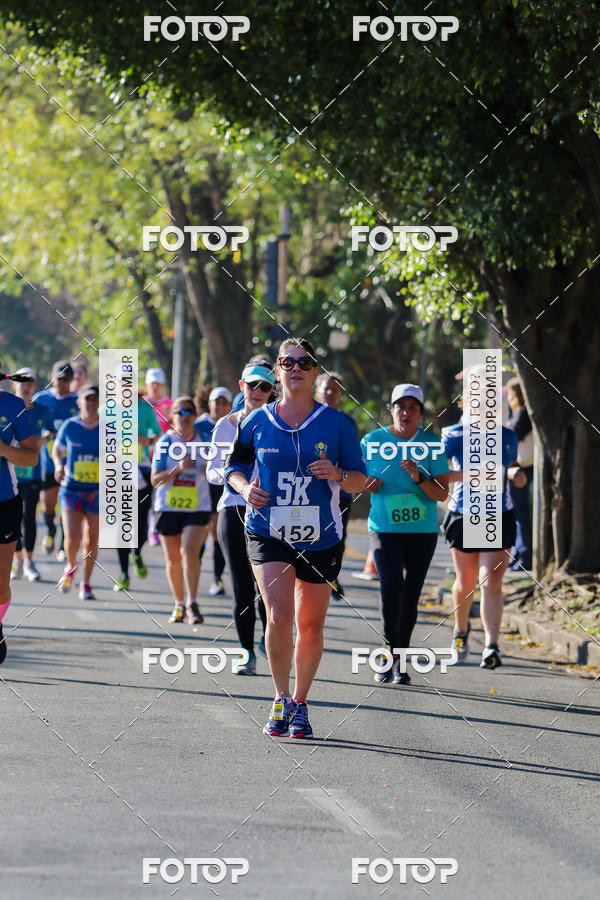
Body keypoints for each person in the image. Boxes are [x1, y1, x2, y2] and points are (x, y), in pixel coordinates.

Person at [226, 338, 367, 738]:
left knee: (310, 624)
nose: (296, 368)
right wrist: (241, 487)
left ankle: (302, 702)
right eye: (288, 362)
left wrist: (338, 474)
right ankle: (280, 697)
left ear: (315, 371)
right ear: (278, 370)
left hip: (320, 534)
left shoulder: (338, 423)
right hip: (267, 529)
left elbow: (361, 479)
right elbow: (233, 465)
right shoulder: (254, 420)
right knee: (279, 614)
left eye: (305, 362)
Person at [362, 384, 449, 685]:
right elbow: (355, 476)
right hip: (385, 529)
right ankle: (387, 652)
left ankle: (400, 659)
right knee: (390, 587)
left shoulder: (431, 443)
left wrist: (419, 476)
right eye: (401, 406)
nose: (406, 412)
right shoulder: (373, 441)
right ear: (392, 409)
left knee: (410, 595)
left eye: (413, 408)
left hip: (422, 531)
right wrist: (365, 483)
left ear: (420, 414)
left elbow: (441, 493)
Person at [442, 386, 524, 669]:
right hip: (464, 513)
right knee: (466, 584)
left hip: (498, 513)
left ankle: (491, 646)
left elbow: (509, 464)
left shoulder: (508, 436)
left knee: (491, 581)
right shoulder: (453, 434)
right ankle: (461, 631)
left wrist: (515, 473)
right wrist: (471, 473)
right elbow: (439, 474)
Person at [207, 361, 274, 675]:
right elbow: (211, 470)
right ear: (241, 385)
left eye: (265, 387)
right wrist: (234, 477)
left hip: (270, 512)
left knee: (268, 587)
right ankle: (246, 651)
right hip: (233, 509)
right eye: (252, 385)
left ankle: (268, 639)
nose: (258, 392)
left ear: (273, 390)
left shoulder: (279, 424)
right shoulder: (226, 425)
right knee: (242, 586)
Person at [151, 397, 211, 625]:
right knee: (173, 559)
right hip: (168, 506)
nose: (184, 416)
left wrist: (207, 469)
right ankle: (178, 603)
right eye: (180, 412)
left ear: (195, 416)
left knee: (189, 551)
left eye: (189, 412)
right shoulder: (164, 443)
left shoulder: (204, 441)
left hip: (198, 505)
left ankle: (192, 602)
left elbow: (216, 473)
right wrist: (177, 469)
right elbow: (155, 479)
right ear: (172, 416)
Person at [0, 375, 38, 664]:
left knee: (0, 583)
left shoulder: (13, 406)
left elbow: (30, 458)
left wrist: (2, 449)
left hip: (4, 501)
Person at [52, 384, 101, 600]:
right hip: (71, 489)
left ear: (98, 403)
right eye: (86, 400)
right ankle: (70, 567)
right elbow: (57, 449)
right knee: (72, 538)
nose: (90, 404)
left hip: (97, 491)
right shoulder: (70, 426)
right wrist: (58, 466)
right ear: (79, 402)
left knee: (91, 540)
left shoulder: (108, 428)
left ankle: (86, 583)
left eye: (93, 400)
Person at [315, 371, 357, 601]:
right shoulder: (308, 417)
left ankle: (332, 575)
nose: (330, 393)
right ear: (317, 391)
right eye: (326, 388)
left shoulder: (347, 422)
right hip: (313, 491)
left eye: (335, 389)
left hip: (341, 489)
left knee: (338, 536)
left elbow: (353, 456)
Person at [113, 395, 161, 591]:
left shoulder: (145, 408)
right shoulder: (106, 410)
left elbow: (158, 436)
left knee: (141, 523)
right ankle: (124, 574)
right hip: (117, 470)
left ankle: (137, 552)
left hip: (141, 469)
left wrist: (147, 440)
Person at [11, 368, 54, 583]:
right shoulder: (9, 408)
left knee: (29, 515)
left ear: (34, 387)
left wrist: (44, 438)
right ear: (14, 385)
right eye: (22, 382)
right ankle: (18, 559)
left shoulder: (43, 411)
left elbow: (50, 430)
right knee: (13, 518)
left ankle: (29, 560)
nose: (26, 386)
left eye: (29, 382)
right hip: (9, 472)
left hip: (34, 471)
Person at [33, 360, 79, 559]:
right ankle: (51, 529)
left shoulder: (78, 401)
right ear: (52, 378)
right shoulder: (40, 400)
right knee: (47, 504)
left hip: (72, 463)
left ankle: (62, 544)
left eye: (67, 380)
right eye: (59, 379)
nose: (62, 383)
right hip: (47, 462)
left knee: (66, 505)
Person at [195, 386, 232, 597]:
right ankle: (194, 572)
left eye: (224, 403)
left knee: (217, 533)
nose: (219, 406)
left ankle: (216, 579)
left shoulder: (232, 424)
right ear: (209, 404)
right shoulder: (198, 424)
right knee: (200, 532)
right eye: (216, 402)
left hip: (221, 484)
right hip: (199, 485)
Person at [505, 377, 533, 570]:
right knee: (516, 511)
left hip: (523, 467)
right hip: (514, 468)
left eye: (510, 394)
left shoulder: (523, 413)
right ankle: (518, 553)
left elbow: (512, 436)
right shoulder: (515, 413)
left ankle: (525, 555)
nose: (508, 398)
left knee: (521, 512)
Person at [144, 367, 172, 546]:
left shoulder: (169, 403)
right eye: (152, 383)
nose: (155, 387)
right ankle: (148, 525)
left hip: (162, 455)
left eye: (158, 383)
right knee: (147, 493)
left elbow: (172, 427)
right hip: (144, 455)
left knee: (158, 492)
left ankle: (154, 527)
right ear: (147, 384)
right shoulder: (141, 403)